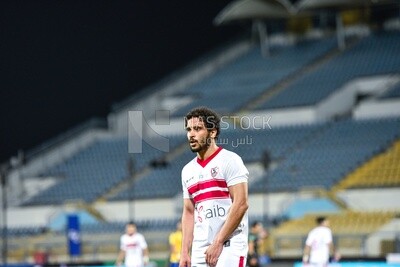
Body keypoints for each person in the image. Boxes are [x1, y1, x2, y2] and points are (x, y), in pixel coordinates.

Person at [180, 107, 250, 267]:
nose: (191, 134)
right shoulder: (187, 171)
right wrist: (184, 251)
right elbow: (189, 212)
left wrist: (218, 242)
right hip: (200, 249)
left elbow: (241, 204)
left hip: (229, 244)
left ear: (212, 132)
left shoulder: (230, 160)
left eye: (197, 129)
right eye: (189, 129)